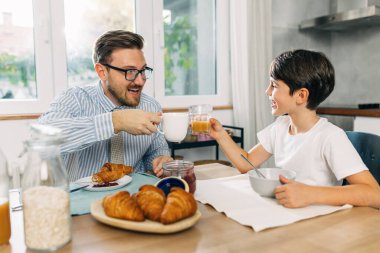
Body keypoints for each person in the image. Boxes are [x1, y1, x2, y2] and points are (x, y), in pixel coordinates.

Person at [209, 49, 380, 208]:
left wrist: (309, 194)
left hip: (321, 222)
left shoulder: (330, 137)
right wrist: (221, 136)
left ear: (301, 95)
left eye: (274, 85)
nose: (267, 91)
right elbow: (247, 164)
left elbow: (374, 194)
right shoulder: (280, 128)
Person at [39, 30, 172, 181]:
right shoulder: (74, 98)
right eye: (130, 71)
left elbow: (156, 149)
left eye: (142, 71)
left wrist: (160, 159)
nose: (140, 81)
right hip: (81, 201)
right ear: (102, 72)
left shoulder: (151, 106)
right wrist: (115, 121)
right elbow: (42, 140)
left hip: (131, 198)